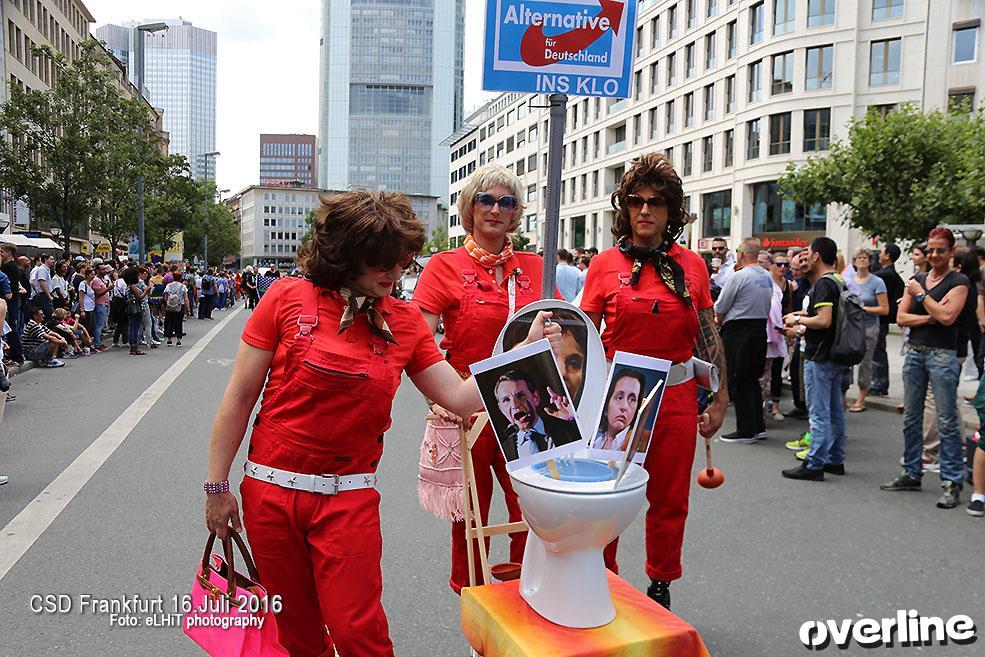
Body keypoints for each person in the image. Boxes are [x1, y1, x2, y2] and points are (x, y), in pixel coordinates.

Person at [203, 190, 562, 657]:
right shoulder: (287, 299)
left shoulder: (406, 321)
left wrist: (525, 354)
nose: (397, 274)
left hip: (347, 499)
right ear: (348, 256)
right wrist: (215, 489)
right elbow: (238, 399)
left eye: (403, 263)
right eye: (384, 265)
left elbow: (459, 396)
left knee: (359, 633)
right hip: (270, 495)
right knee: (296, 634)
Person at [580, 153, 727, 609]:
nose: (645, 210)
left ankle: (661, 586)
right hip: (617, 395)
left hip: (678, 395)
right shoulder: (604, 264)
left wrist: (719, 400)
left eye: (657, 202)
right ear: (624, 208)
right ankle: (600, 578)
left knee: (669, 498)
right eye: (636, 201)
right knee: (607, 495)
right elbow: (582, 336)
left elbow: (708, 334)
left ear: (671, 211)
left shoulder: (694, 266)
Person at [412, 163, 548, 593]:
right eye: (485, 200)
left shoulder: (535, 266)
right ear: (469, 209)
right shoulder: (443, 266)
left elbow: (561, 325)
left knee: (531, 502)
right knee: (471, 510)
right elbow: (418, 337)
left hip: (525, 407)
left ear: (515, 213)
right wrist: (440, 396)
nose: (495, 209)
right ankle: (473, 594)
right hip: (468, 406)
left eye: (505, 202)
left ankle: (524, 585)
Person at [881, 227, 968, 509]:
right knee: (911, 418)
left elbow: (947, 316)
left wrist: (921, 297)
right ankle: (911, 472)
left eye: (940, 250)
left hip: (943, 355)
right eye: (930, 249)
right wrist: (929, 316)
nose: (933, 254)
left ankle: (952, 481)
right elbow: (901, 317)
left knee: (946, 420)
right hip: (915, 354)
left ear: (951, 252)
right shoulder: (918, 279)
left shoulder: (959, 281)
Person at [781, 236, 847, 481]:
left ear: (817, 255)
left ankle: (815, 463)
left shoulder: (823, 284)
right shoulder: (840, 280)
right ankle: (835, 458)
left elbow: (824, 320)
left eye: (808, 251)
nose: (805, 256)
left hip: (819, 354)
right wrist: (804, 314)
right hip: (837, 352)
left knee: (818, 412)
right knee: (835, 410)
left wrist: (797, 320)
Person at [714, 237, 772, 443]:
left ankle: (746, 430)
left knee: (738, 379)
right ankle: (758, 425)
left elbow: (721, 306)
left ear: (741, 253)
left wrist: (718, 320)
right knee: (752, 379)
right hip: (759, 329)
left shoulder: (739, 276)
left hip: (739, 331)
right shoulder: (766, 276)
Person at [495, 370, 580, 460]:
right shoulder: (503, 450)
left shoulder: (565, 428)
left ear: (535, 398)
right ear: (501, 409)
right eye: (506, 400)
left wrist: (573, 422)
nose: (515, 405)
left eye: (520, 396)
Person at [848, 249, 889, 412]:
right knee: (847, 360)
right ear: (854, 261)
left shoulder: (877, 282)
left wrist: (865, 309)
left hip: (869, 326)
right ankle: (843, 395)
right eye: (859, 258)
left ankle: (861, 398)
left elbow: (884, 309)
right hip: (851, 325)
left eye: (865, 258)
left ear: (871, 262)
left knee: (866, 362)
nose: (862, 260)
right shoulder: (848, 280)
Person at [871, 244, 905, 396]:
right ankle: (879, 382)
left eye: (882, 252)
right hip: (883, 318)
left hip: (881, 318)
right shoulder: (888, 274)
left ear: (888, 256)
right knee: (877, 350)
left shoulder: (885, 275)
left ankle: (880, 383)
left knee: (878, 351)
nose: (879, 255)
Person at [593, 369, 645, 450]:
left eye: (632, 399)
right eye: (619, 397)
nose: (624, 407)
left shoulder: (637, 446)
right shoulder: (596, 444)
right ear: (606, 406)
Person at [1, 244, 25, 364]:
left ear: (9, 252)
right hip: (14, 301)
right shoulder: (14, 266)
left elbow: (10, 288)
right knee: (11, 328)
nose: (1, 255)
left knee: (9, 328)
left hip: (10, 302)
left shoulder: (8, 267)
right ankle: (16, 353)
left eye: (2, 252)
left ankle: (16, 354)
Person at [163, 275, 189, 346]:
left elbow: (165, 295)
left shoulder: (169, 285)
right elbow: (186, 298)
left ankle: (169, 339)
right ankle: (178, 340)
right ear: (180, 278)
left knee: (170, 322)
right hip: (180, 306)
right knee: (179, 323)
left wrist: (166, 303)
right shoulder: (183, 286)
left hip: (170, 306)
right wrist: (188, 308)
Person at [29, 254, 55, 319]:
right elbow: (42, 283)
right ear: (46, 260)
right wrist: (49, 296)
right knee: (49, 315)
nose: (53, 261)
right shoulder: (42, 269)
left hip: (45, 296)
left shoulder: (47, 269)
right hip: (43, 296)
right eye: (51, 259)